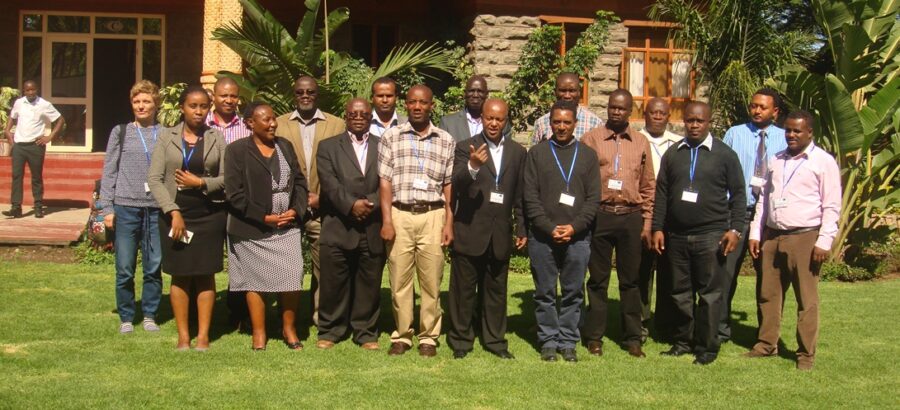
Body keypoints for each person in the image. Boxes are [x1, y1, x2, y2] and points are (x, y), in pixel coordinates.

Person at [744, 110, 841, 371]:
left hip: (805, 237)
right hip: (773, 236)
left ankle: (805, 354)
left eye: (797, 131)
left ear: (810, 132)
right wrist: (756, 233)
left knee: (806, 299)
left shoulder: (823, 162)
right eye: (787, 130)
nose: (791, 135)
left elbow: (832, 205)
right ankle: (766, 344)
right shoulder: (776, 160)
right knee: (768, 294)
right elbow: (763, 199)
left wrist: (824, 241)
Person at [651, 101, 746, 365]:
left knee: (709, 294)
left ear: (708, 122)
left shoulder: (725, 155)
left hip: (710, 235)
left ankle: (707, 346)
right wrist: (658, 228)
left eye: (699, 121)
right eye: (690, 120)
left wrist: (735, 229)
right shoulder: (674, 153)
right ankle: (683, 341)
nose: (694, 125)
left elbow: (739, 194)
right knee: (679, 292)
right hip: (677, 236)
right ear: (683, 121)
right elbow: (662, 194)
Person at [147, 85, 227, 351]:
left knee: (205, 274)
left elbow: (228, 179)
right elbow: (154, 179)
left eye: (204, 106)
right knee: (179, 274)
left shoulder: (217, 137)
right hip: (175, 215)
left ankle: (203, 336)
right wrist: (173, 211)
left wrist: (201, 182)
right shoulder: (166, 136)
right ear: (182, 108)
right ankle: (183, 336)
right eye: (193, 106)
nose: (198, 111)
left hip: (209, 214)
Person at [378, 85, 455, 357]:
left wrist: (449, 223)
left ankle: (429, 337)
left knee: (432, 280)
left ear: (432, 105)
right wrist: (387, 220)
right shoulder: (391, 137)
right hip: (400, 213)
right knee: (399, 278)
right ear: (406, 105)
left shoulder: (446, 139)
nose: (418, 107)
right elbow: (385, 182)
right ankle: (402, 334)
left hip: (434, 214)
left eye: (423, 102)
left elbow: (448, 185)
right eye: (412, 102)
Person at [225, 102, 308, 351]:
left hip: (287, 227)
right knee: (255, 281)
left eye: (274, 119)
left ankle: (289, 329)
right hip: (252, 228)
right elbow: (234, 194)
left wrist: (296, 210)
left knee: (293, 276)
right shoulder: (236, 151)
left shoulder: (285, 146)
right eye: (266, 120)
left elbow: (300, 182)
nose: (273, 124)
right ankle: (259, 333)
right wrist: (264, 217)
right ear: (250, 123)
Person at [448, 98, 526, 360]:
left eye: (499, 119)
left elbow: (519, 195)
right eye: (489, 118)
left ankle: (495, 340)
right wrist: (472, 166)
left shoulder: (518, 152)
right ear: (481, 118)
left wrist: (522, 229)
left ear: (506, 121)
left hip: (499, 234)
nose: (494, 123)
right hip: (470, 231)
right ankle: (461, 340)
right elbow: (456, 185)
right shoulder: (464, 147)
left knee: (496, 291)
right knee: (464, 291)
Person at [580, 89, 655, 358]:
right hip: (600, 215)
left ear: (630, 111)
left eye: (622, 108)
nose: (616, 112)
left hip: (630, 216)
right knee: (597, 280)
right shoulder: (592, 139)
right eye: (612, 107)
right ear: (608, 108)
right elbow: (583, 180)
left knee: (631, 280)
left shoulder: (641, 142)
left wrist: (646, 223)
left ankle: (632, 337)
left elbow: (648, 185)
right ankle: (594, 336)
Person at [524, 100, 601, 362]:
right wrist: (548, 227)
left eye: (567, 122)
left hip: (577, 237)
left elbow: (593, 199)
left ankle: (568, 340)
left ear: (575, 124)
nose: (561, 126)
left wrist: (574, 227)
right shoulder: (537, 154)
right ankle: (547, 340)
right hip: (542, 237)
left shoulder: (588, 155)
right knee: (544, 292)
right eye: (557, 122)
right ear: (550, 123)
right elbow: (530, 197)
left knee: (573, 291)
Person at [275, 75, 345, 326]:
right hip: (288, 207)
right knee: (286, 265)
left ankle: (320, 315)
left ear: (317, 95)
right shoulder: (279, 124)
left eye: (311, 93)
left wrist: (323, 197)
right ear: (294, 95)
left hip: (321, 208)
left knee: (323, 265)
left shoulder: (336, 125)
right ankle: (286, 317)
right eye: (300, 93)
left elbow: (343, 167)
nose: (305, 97)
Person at [316, 99, 385, 351]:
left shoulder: (383, 145)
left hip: (372, 224)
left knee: (369, 281)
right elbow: (329, 183)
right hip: (338, 224)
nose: (358, 117)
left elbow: (389, 182)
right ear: (346, 116)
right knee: (334, 282)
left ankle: (365, 331)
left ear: (370, 117)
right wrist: (351, 205)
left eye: (364, 114)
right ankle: (331, 329)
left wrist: (370, 203)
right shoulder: (328, 147)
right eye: (353, 114)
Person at [720, 88, 787, 343]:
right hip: (735, 213)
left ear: (775, 112)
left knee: (769, 280)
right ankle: (720, 330)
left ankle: (766, 336)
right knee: (725, 275)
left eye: (763, 107)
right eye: (754, 106)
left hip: (769, 218)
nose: (757, 111)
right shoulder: (735, 133)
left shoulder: (785, 138)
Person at [98, 80, 163, 334]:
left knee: (153, 266)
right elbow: (109, 170)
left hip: (156, 208)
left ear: (155, 103)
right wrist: (107, 208)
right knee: (124, 267)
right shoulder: (120, 131)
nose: (141, 106)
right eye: (136, 101)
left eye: (146, 101)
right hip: (125, 208)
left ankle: (149, 314)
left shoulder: (165, 133)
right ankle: (126, 316)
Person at [206, 76, 253, 331]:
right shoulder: (201, 124)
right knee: (207, 259)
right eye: (223, 95)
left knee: (241, 258)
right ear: (213, 96)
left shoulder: (246, 128)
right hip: (208, 203)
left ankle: (239, 313)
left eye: (233, 96)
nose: (228, 100)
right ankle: (201, 312)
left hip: (238, 203)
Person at [637, 97, 683, 339]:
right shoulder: (635, 140)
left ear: (668, 117)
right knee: (642, 272)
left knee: (669, 272)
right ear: (645, 114)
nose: (657, 117)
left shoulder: (679, 144)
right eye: (652, 112)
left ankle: (665, 324)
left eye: (662, 113)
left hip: (670, 218)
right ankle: (641, 322)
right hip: (642, 215)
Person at [2, 80, 65, 219]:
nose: (30, 92)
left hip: (35, 146)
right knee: (16, 176)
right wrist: (7, 131)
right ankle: (16, 208)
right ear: (24, 91)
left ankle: (38, 207)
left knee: (36, 177)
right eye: (27, 90)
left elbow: (60, 119)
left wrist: (50, 137)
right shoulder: (19, 103)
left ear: (37, 89)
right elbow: (13, 117)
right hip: (19, 146)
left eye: (33, 90)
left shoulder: (44, 104)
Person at [530, 73, 603, 146]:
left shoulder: (595, 124)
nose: (567, 96)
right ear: (555, 92)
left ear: (579, 92)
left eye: (572, 91)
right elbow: (535, 154)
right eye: (563, 91)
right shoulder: (541, 123)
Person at [439, 76, 511, 143]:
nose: (475, 95)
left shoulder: (500, 123)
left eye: (480, 91)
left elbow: (505, 151)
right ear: (465, 93)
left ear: (486, 94)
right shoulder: (448, 123)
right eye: (471, 91)